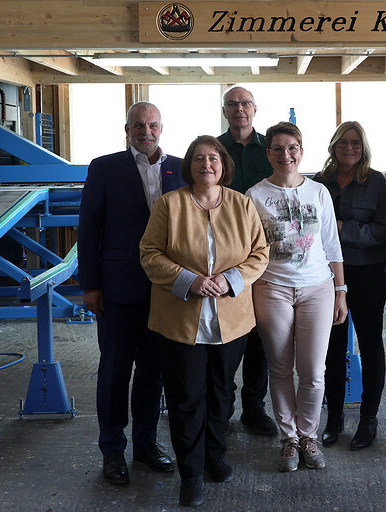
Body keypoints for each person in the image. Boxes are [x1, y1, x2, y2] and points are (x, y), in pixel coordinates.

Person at [140, 135, 269, 506]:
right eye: (199, 158)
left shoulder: (242, 205)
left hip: (231, 320)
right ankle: (191, 473)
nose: (206, 164)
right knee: (186, 398)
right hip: (180, 320)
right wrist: (190, 280)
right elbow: (149, 253)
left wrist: (229, 280)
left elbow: (259, 253)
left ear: (223, 164)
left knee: (221, 394)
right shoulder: (170, 205)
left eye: (213, 158)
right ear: (190, 166)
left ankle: (215, 458)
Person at [78, 101, 184, 485]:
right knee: (114, 372)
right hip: (119, 289)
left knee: (153, 372)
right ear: (127, 129)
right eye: (139, 125)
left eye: (153, 124)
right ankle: (112, 450)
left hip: (166, 290)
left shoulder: (182, 168)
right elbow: (88, 230)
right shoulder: (105, 168)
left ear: (162, 127)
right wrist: (90, 285)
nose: (146, 131)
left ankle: (146, 444)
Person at [246, 121, 347, 472]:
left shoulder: (319, 192)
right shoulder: (254, 195)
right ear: (269, 153)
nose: (285, 155)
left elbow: (332, 244)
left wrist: (340, 290)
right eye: (277, 148)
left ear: (301, 152)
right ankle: (288, 439)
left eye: (292, 148)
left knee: (313, 370)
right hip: (271, 287)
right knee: (279, 366)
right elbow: (249, 248)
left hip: (317, 287)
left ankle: (309, 436)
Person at [312, 121, 386, 451]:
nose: (349, 148)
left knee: (371, 344)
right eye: (343, 142)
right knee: (331, 348)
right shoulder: (318, 184)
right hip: (327, 276)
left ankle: (368, 420)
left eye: (356, 143)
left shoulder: (376, 183)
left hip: (367, 272)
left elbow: (385, 229)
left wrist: (342, 229)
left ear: (364, 148)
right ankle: (334, 419)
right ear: (333, 146)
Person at [218, 85, 278, 437]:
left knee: (259, 335)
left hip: (263, 253)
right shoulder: (213, 149)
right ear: (225, 111)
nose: (239, 109)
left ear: (254, 109)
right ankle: (223, 406)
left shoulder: (269, 148)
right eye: (232, 104)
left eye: (245, 104)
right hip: (222, 252)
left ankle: (255, 408)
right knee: (226, 333)